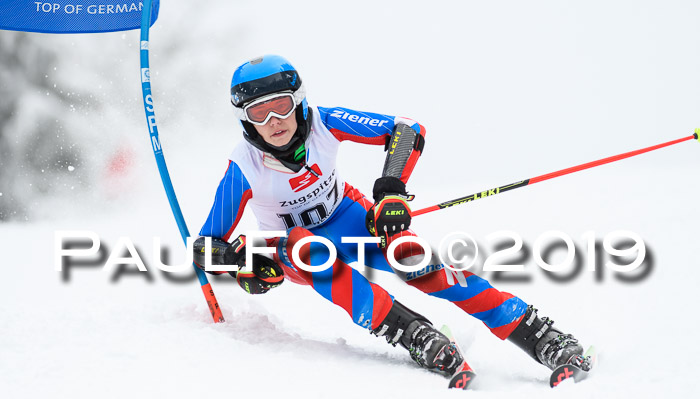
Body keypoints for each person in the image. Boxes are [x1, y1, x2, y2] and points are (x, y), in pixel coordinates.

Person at [193, 54, 592, 381]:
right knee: (304, 245)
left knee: (414, 259)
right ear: (244, 118)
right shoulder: (244, 166)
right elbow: (207, 246)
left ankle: (537, 334)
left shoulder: (324, 122)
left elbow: (405, 131)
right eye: (258, 113)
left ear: (297, 101)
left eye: (280, 106)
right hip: (298, 249)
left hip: (350, 218)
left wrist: (391, 192)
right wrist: (244, 264)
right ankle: (411, 333)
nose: (272, 122)